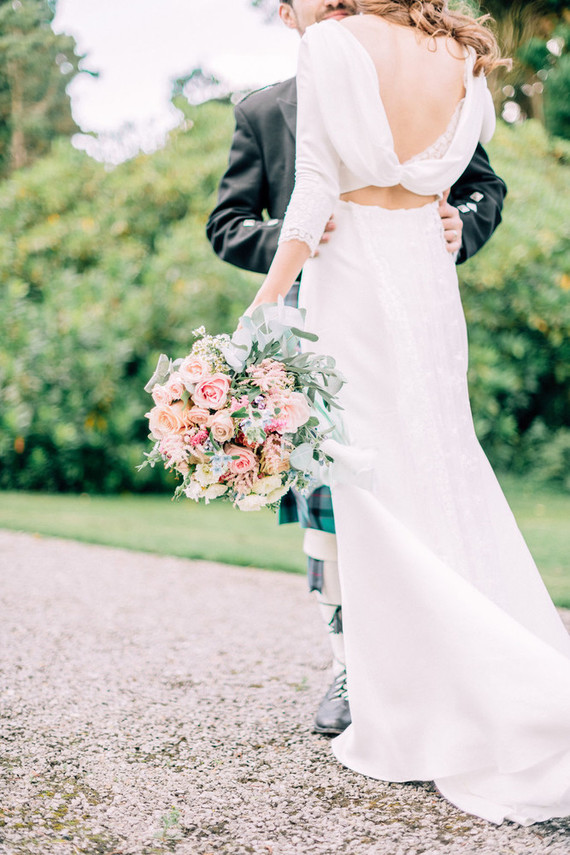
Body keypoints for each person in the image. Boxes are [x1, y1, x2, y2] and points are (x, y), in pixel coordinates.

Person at [238, 0, 570, 827]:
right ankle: (453, 679)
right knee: (441, 466)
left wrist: (268, 300)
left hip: (351, 277)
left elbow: (315, 184)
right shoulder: (457, 53)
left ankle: (432, 698)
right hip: (426, 273)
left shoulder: (332, 43)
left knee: (374, 486)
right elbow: (446, 178)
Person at [207, 0, 508, 739]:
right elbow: (229, 223)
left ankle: (422, 667)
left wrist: (458, 222)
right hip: (324, 306)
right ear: (286, 15)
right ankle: (351, 662)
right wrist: (296, 241)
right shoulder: (264, 108)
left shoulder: (383, 53)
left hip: (389, 294)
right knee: (330, 498)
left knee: (406, 475)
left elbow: (480, 186)